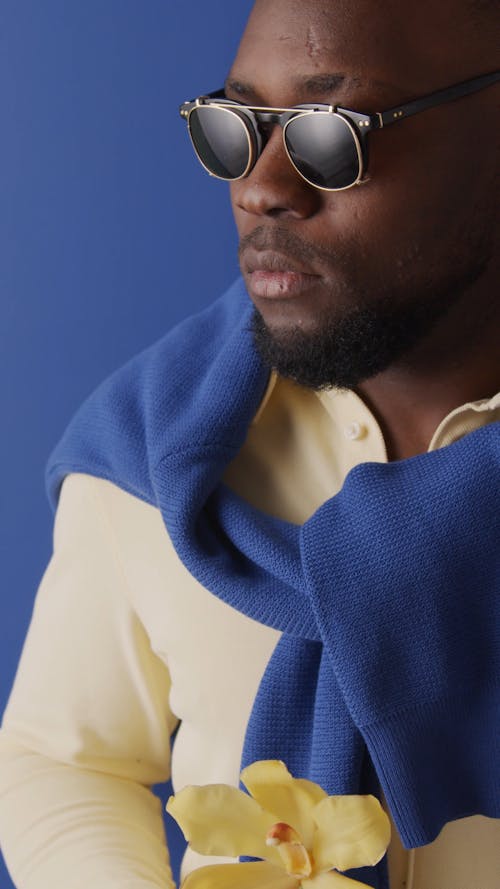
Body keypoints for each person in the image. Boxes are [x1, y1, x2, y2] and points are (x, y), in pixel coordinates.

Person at [0, 1, 499, 887]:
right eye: (240, 128)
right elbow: (64, 756)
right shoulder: (154, 457)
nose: (260, 187)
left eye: (327, 132)